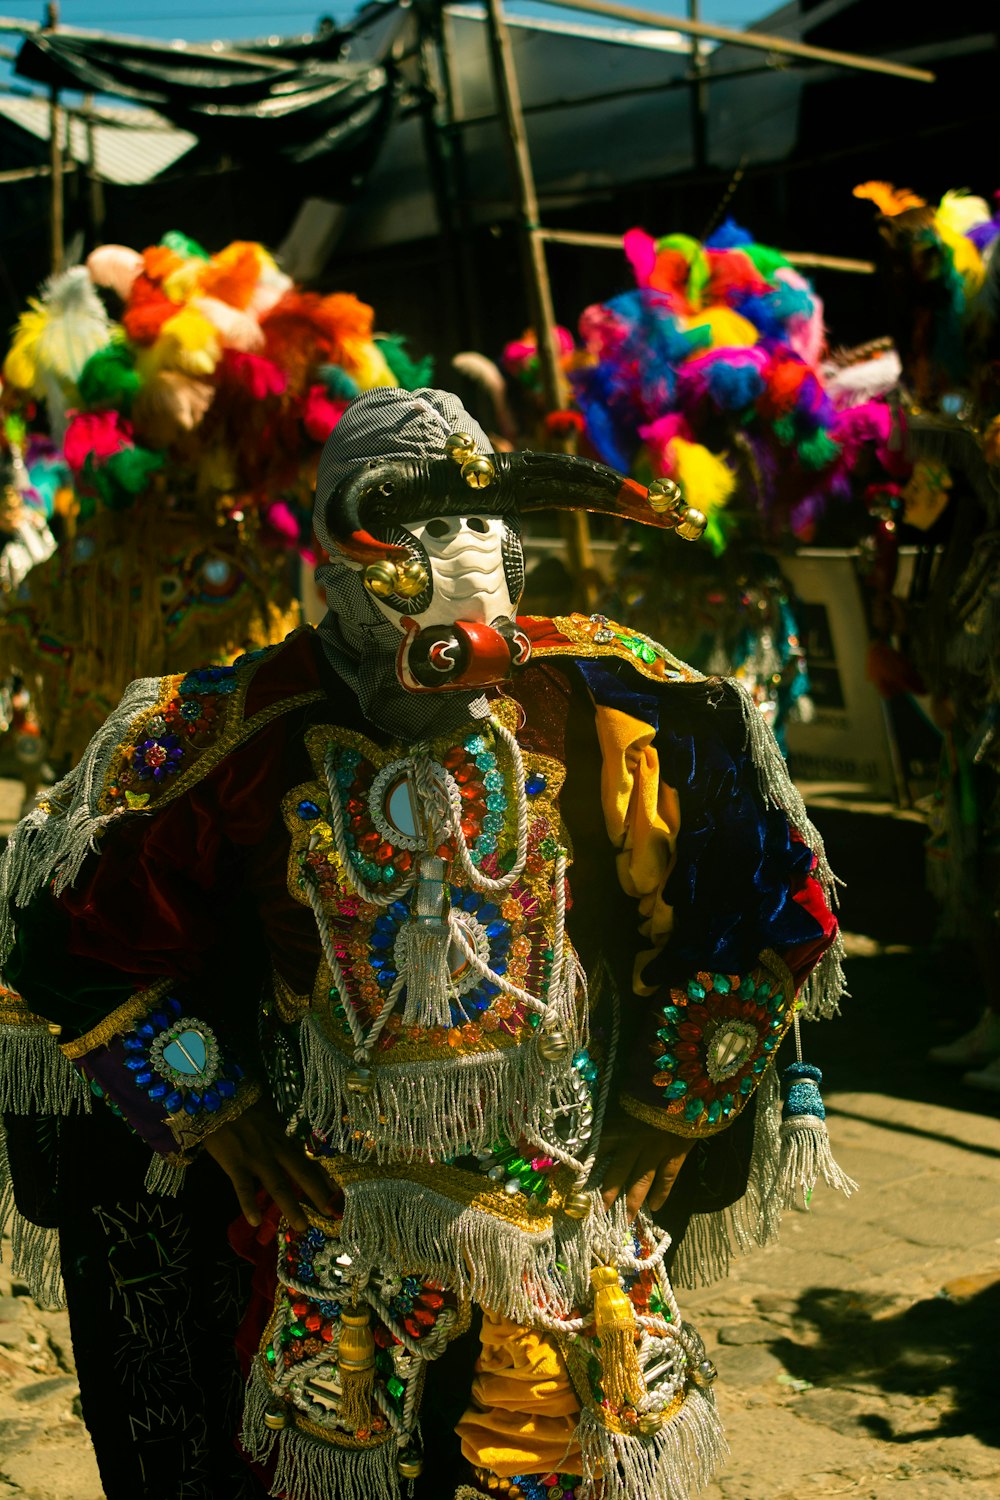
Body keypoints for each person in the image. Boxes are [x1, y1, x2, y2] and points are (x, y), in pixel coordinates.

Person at [0, 389, 845, 1500]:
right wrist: (214, 1104)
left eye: (480, 521)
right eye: (415, 523)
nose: (458, 554)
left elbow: (769, 896)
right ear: (336, 551)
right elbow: (76, 932)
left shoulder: (620, 696)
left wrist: (670, 1099)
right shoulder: (229, 724)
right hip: (326, 1215)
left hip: (562, 1199)